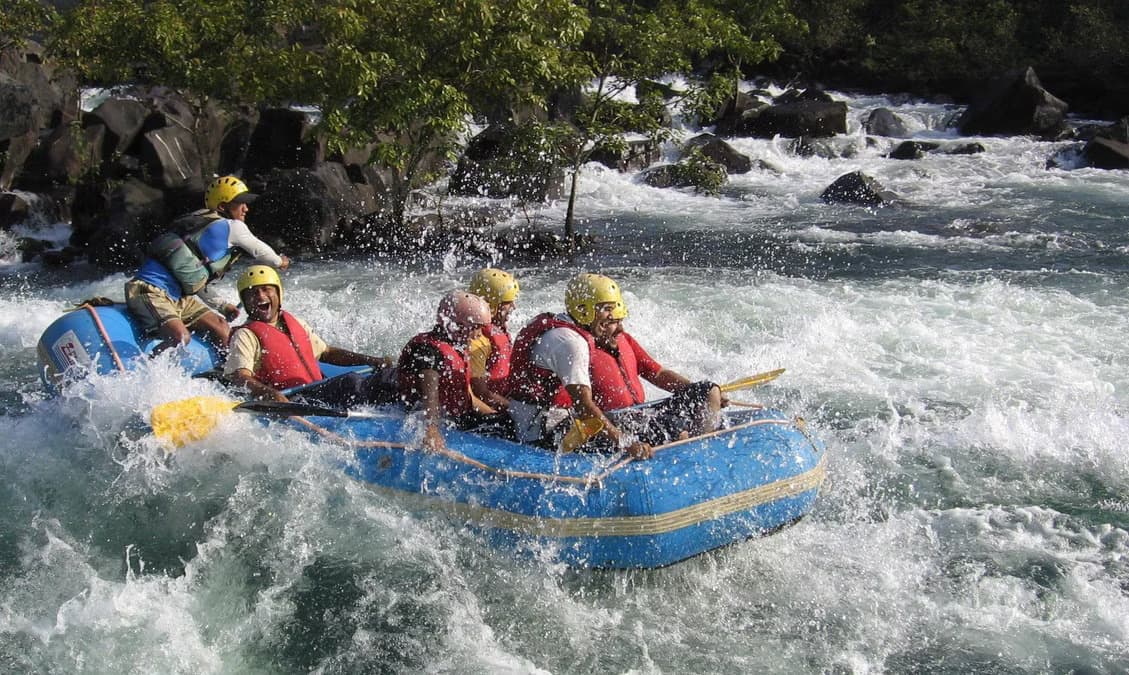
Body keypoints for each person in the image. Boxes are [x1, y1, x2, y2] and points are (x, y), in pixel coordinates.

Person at [506, 273, 725, 460]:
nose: (615, 322)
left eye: (616, 313)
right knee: (666, 428)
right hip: (548, 430)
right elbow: (584, 407)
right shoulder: (571, 343)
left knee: (707, 390)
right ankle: (688, 452)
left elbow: (657, 373)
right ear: (583, 309)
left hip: (593, 418)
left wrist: (692, 389)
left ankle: (697, 449)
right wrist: (627, 443)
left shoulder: (590, 336)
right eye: (607, 312)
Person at [124, 175, 291, 354]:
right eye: (240, 203)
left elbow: (193, 279)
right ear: (222, 207)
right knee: (180, 338)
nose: (246, 208)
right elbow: (262, 252)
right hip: (149, 291)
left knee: (222, 327)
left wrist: (222, 306)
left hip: (178, 298)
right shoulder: (233, 227)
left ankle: (228, 374)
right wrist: (280, 261)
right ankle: (146, 367)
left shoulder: (204, 229)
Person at [224, 265, 395, 406]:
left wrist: (371, 360)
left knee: (388, 377)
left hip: (317, 390)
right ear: (245, 302)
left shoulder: (295, 322)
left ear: (278, 293)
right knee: (351, 382)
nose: (260, 296)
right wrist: (269, 393)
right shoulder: (245, 335)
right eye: (253, 293)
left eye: (266, 289)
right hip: (295, 400)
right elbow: (239, 376)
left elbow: (327, 353)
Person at [397, 290, 497, 452]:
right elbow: (430, 397)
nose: (479, 335)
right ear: (457, 325)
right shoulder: (428, 352)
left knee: (502, 424)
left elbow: (468, 396)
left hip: (454, 417)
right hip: (408, 406)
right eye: (476, 328)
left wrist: (495, 415)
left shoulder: (457, 348)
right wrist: (432, 430)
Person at [466, 267, 520, 412]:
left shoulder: (497, 330)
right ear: (491, 306)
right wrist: (516, 411)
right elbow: (480, 393)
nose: (513, 307)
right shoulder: (477, 340)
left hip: (504, 396)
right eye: (508, 302)